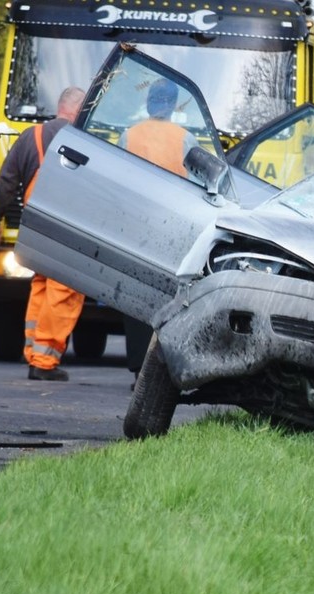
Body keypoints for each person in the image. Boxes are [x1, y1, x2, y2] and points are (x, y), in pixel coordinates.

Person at [0, 87, 87, 382]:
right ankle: (43, 361)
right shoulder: (84, 140)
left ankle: (33, 352)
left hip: (35, 226)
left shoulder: (30, 136)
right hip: (67, 227)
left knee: (41, 285)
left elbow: (6, 181)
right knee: (63, 292)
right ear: (79, 111)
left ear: (60, 106)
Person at [119, 78, 199, 388]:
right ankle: (159, 366)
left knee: (135, 297)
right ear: (173, 104)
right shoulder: (185, 139)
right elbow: (196, 183)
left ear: (149, 102)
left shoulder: (129, 135)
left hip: (135, 226)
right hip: (170, 230)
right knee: (165, 300)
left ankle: (138, 367)